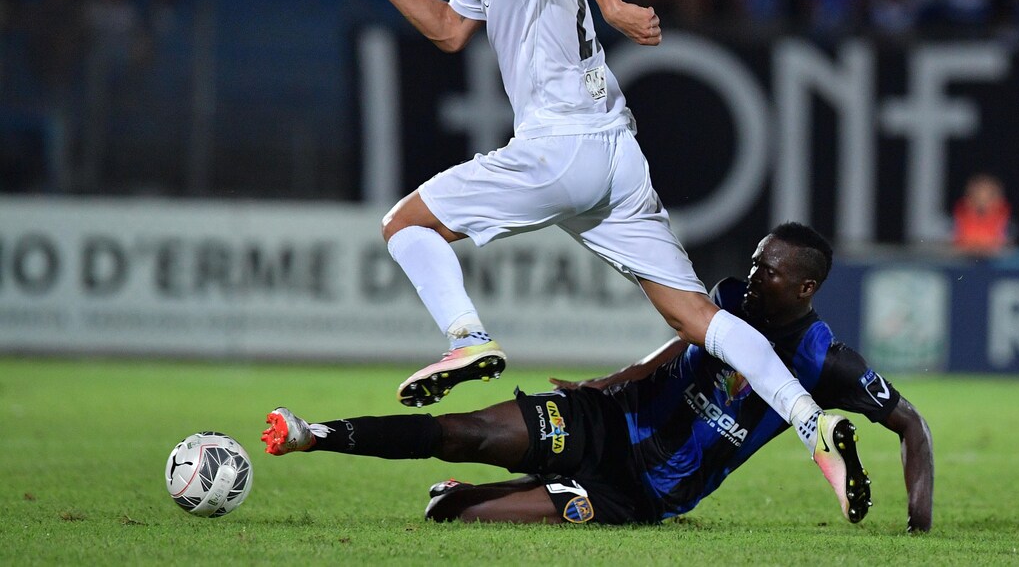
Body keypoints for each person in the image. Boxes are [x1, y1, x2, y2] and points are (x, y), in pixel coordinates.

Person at [332, 0, 855, 500]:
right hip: (616, 158)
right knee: (694, 315)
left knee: (405, 225)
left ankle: (467, 338)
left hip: (560, 148)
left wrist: (615, 6)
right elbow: (447, 30)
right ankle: (812, 423)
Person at [263, 222, 934, 531]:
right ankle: (315, 434)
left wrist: (919, 524)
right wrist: (611, 381)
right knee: (463, 431)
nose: (754, 276)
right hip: (609, 420)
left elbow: (912, 425)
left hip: (640, 494)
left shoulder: (827, 362)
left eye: (771, 271)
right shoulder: (729, 298)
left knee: (449, 514)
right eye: (756, 262)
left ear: (806, 287)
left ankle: (480, 494)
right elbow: (678, 344)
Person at [951, 173, 1013, 256]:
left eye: (989, 197)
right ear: (968, 199)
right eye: (976, 197)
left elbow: (1005, 249)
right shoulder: (955, 224)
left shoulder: (1008, 226)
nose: (982, 202)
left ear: (999, 201)